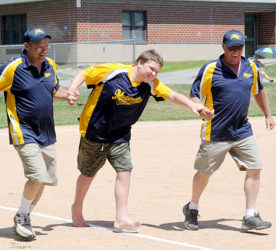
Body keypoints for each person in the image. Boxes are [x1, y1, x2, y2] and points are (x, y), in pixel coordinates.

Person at [67, 49, 214, 232]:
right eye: (151, 69)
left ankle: (121, 217)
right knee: (88, 173)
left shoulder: (150, 85)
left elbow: (173, 95)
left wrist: (194, 106)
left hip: (120, 136)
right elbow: (85, 74)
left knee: (125, 171)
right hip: (94, 133)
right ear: (139, 63)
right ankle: (77, 208)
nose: (153, 74)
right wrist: (73, 89)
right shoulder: (114, 72)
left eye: (157, 72)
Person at [0, 27, 68, 239]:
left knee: (44, 179)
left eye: (46, 46)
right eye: (38, 47)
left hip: (47, 131)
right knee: (37, 175)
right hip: (23, 131)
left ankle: (23, 215)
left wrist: (68, 96)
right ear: (27, 47)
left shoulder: (50, 65)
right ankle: (23, 217)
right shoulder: (13, 67)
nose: (43, 50)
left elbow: (54, 90)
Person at [183, 29, 275, 231]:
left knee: (255, 167)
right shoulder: (209, 69)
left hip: (242, 130)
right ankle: (192, 207)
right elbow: (195, 95)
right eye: (231, 48)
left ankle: (250, 215)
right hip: (216, 131)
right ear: (223, 47)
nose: (235, 51)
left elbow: (258, 91)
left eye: (239, 47)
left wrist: (268, 114)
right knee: (204, 173)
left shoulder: (250, 66)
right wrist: (200, 107)